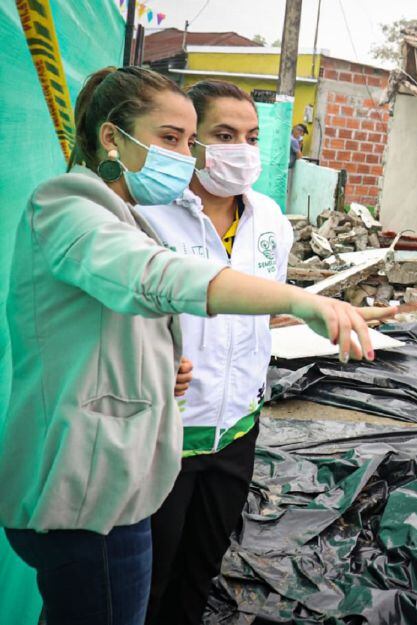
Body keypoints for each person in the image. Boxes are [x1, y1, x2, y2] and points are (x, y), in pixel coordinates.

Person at [0, 66, 374, 625]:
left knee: (186, 578)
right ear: (112, 137)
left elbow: (116, 327)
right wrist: (303, 301)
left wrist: (159, 368)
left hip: (166, 446)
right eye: (171, 138)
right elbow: (155, 278)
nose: (184, 154)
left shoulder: (243, 216)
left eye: (186, 138)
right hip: (94, 482)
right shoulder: (70, 206)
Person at [133, 80, 406, 624]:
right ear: (192, 142)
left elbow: (264, 309)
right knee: (147, 580)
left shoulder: (269, 220)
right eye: (224, 134)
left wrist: (325, 317)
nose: (242, 149)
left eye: (251, 137)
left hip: (237, 429)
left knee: (201, 569)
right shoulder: (149, 217)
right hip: (165, 435)